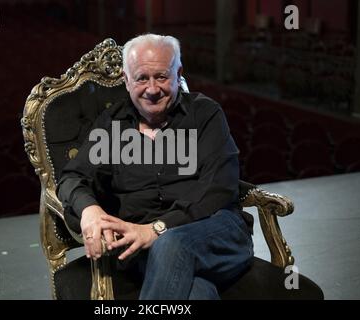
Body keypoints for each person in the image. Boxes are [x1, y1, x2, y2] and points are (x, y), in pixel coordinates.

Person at [57, 34, 253, 299]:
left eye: (161, 77)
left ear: (178, 73)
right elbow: (71, 178)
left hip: (216, 233)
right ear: (126, 81)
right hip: (143, 247)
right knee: (198, 293)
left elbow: (220, 188)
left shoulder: (205, 113)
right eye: (141, 78)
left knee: (172, 242)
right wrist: (88, 209)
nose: (152, 89)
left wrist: (158, 228)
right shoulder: (112, 125)